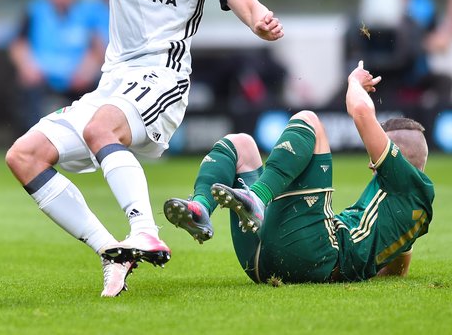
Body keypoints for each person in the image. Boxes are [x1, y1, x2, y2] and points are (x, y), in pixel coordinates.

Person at [0, 0, 284, 297]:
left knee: (99, 127)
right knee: (24, 156)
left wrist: (260, 22)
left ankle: (144, 229)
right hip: (114, 82)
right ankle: (112, 252)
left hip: (163, 79)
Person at [164, 61, 433, 284]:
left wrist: (353, 81)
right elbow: (399, 265)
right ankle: (199, 209)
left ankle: (257, 198)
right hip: (270, 261)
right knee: (241, 144)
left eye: (375, 156)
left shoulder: (404, 180)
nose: (370, 163)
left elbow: (362, 111)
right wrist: (363, 268)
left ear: (397, 157)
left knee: (309, 121)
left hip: (319, 255)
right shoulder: (417, 209)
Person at [9, 0, 106, 132]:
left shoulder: (86, 12)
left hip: (76, 76)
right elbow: (18, 43)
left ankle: (90, 139)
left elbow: (96, 48)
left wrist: (86, 71)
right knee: (24, 88)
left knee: (100, 89)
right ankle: (29, 139)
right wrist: (28, 67)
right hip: (42, 74)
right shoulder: (35, 10)